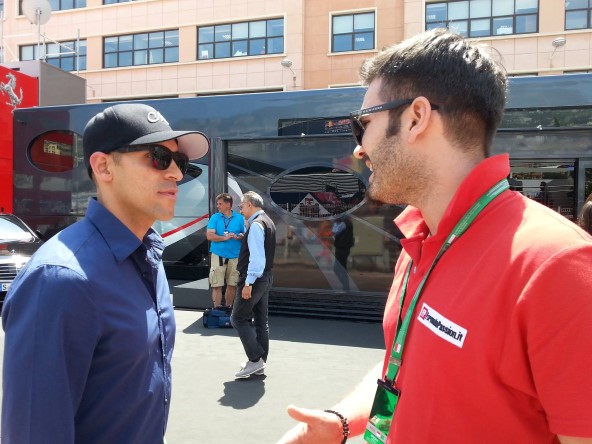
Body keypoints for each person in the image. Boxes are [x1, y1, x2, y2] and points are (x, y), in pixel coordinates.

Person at [278, 29, 592, 443]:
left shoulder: (556, 265)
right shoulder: (421, 237)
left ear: (415, 118)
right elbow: (407, 361)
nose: (358, 149)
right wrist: (343, 420)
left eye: (363, 126)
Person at [1, 103, 209, 443]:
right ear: (103, 166)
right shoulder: (61, 279)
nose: (175, 174)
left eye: (180, 163)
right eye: (159, 157)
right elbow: (32, 432)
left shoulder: (148, 257)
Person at [231, 191, 276, 378]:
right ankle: (259, 361)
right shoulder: (268, 221)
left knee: (238, 318)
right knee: (260, 321)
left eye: (241, 206)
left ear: (249, 204)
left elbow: (257, 259)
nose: (240, 210)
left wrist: (248, 283)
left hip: (254, 279)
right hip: (265, 278)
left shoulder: (257, 225)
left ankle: (255, 359)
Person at [206, 192, 245, 308]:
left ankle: (228, 308)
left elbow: (246, 234)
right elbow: (209, 236)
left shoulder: (240, 218)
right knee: (216, 285)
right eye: (218, 204)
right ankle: (216, 309)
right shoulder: (215, 217)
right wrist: (224, 237)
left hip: (235, 256)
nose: (218, 206)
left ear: (228, 205)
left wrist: (240, 236)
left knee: (232, 284)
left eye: (220, 204)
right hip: (218, 255)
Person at [332, 214, 354, 290]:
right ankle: (345, 286)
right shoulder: (346, 222)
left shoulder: (344, 223)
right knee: (339, 268)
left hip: (342, 248)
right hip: (341, 247)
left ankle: (346, 286)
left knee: (339, 269)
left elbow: (335, 231)